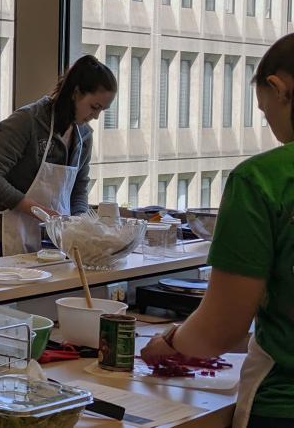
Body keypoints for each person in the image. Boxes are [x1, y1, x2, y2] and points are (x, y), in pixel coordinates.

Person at [141, 34, 294, 428]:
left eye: (266, 111)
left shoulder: (263, 180)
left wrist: (167, 345)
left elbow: (221, 329)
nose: (272, 127)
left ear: (280, 88)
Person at [0, 55, 117, 256]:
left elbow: (78, 189)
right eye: (94, 107)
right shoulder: (26, 122)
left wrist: (78, 224)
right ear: (76, 93)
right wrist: (40, 212)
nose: (96, 116)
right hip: (8, 240)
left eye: (102, 110)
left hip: (57, 244)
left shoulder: (83, 136)